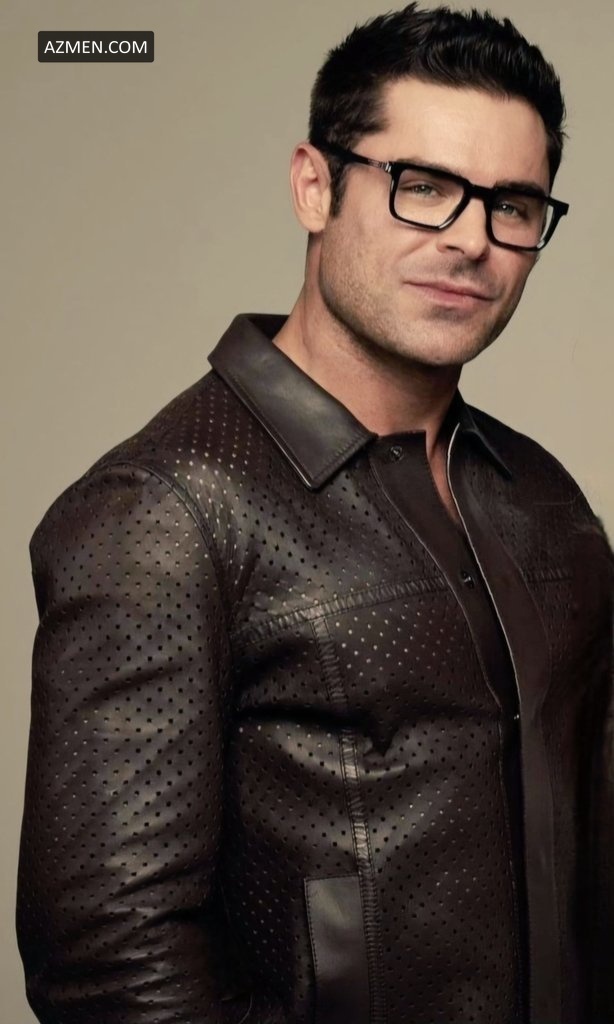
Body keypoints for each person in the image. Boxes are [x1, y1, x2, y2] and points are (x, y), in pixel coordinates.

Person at [16, 5, 613, 1024]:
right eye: (423, 187)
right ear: (314, 186)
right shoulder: (163, 510)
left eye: (512, 206)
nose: (470, 240)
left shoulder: (545, 498)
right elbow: (110, 964)